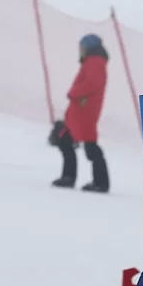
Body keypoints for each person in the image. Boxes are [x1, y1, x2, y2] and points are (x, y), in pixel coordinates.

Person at [51, 33, 110, 193]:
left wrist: (74, 92)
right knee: (65, 139)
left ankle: (101, 182)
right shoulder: (92, 62)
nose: (80, 50)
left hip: (85, 110)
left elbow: (92, 83)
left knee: (90, 146)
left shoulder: (95, 63)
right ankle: (69, 177)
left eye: (82, 47)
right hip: (80, 110)